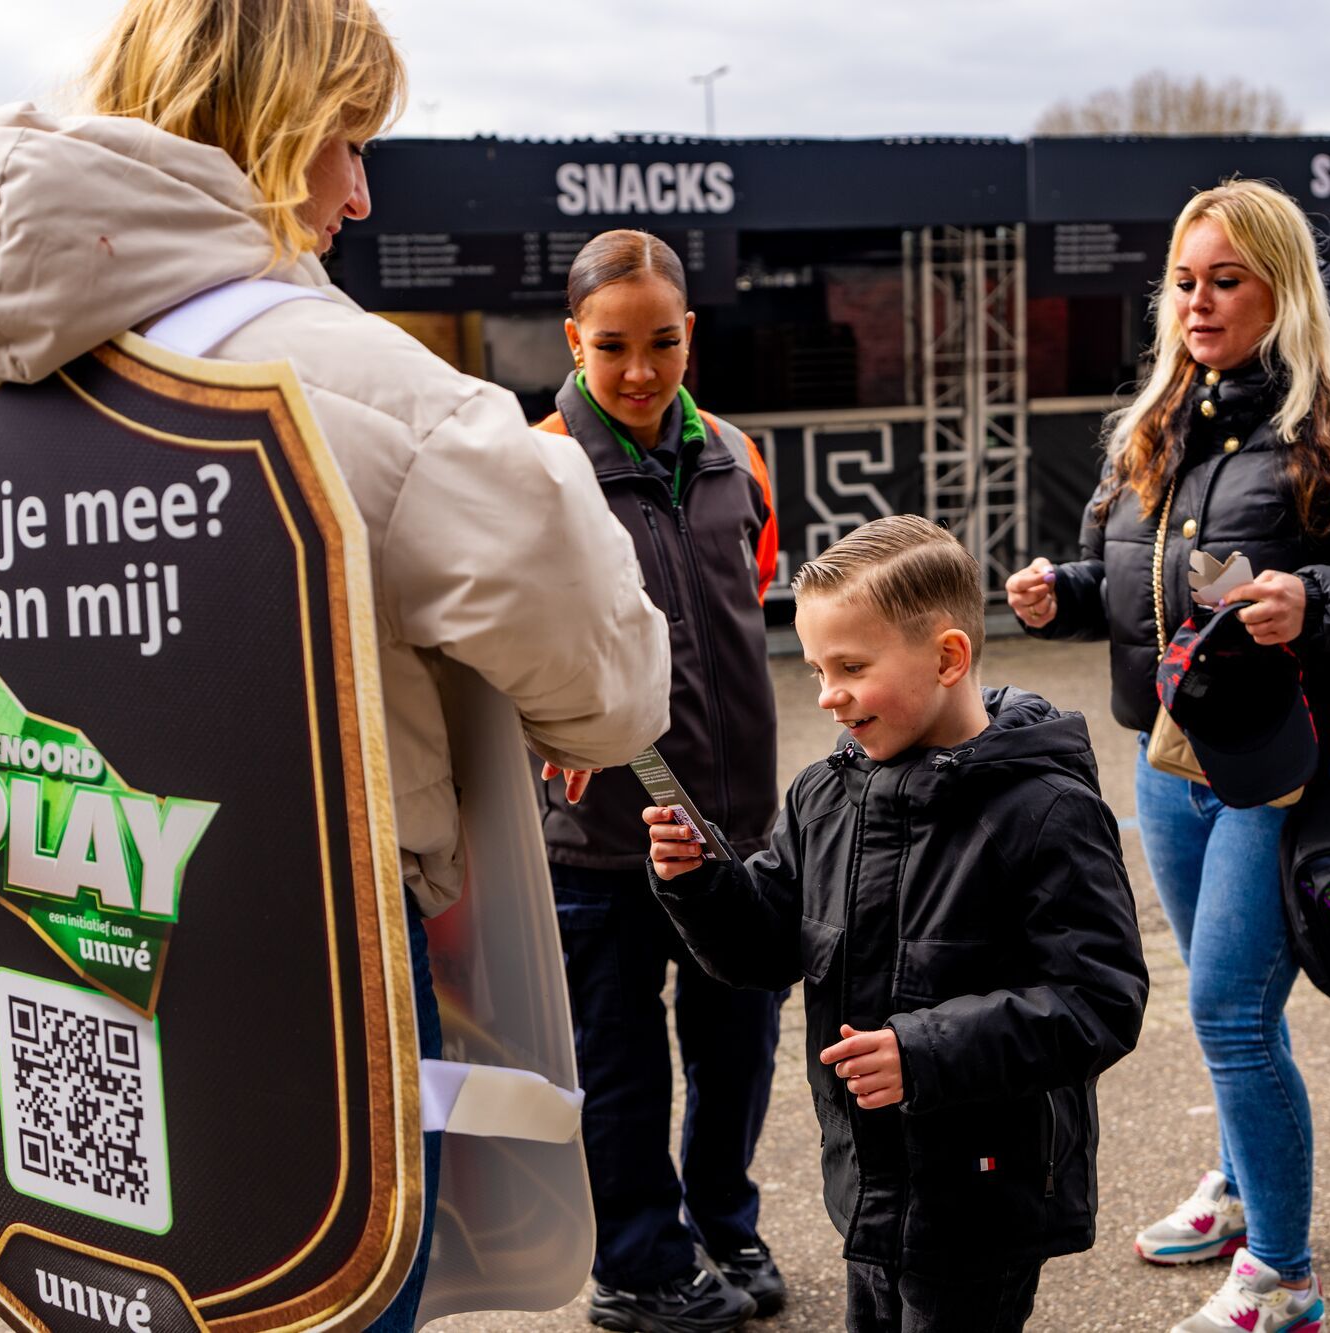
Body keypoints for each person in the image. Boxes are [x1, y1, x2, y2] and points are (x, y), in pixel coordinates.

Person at [0, 3, 671, 1329]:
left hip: (41, 948)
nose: (360, 195)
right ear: (266, 128)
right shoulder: (358, 385)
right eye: (348, 142)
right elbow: (605, 682)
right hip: (308, 978)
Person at [1005, 179, 1330, 1333]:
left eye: (1225, 281)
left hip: (1291, 754)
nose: (1197, 304)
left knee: (1224, 1008)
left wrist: (1313, 598)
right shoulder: (1158, 414)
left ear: (1282, 288)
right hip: (1170, 754)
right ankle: (1235, 1183)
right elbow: (1135, 576)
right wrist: (1063, 593)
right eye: (1183, 281)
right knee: (1234, 1006)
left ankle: (1284, 1275)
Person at [646, 515, 1149, 1333]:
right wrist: (700, 883)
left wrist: (922, 1052)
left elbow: (1100, 1002)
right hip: (868, 1181)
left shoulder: (1047, 810)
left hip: (984, 1194)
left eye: (851, 666)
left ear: (949, 657)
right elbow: (767, 946)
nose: (826, 693)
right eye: (815, 667)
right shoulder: (823, 794)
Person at [532, 229, 786, 1333]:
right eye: (613, 346)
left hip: (735, 832)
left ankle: (722, 1224)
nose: (639, 370)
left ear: (693, 333)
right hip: (601, 840)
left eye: (663, 343)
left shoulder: (737, 454)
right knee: (622, 1062)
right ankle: (636, 1263)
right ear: (573, 341)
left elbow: (755, 601)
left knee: (737, 1045)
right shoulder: (534, 467)